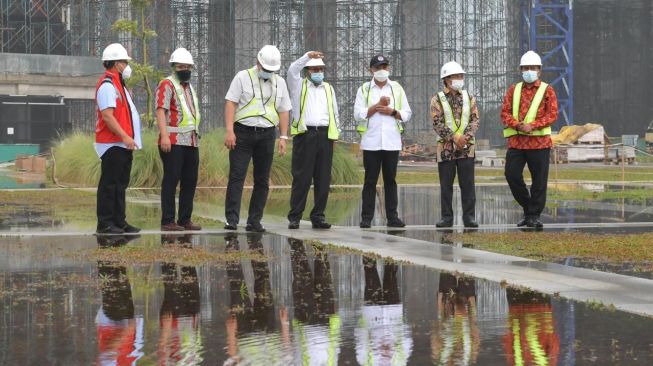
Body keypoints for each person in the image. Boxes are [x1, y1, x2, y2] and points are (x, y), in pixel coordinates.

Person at [223, 45, 291, 233]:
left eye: (272, 70)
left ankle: (254, 221)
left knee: (262, 180)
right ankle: (232, 220)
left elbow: (284, 110)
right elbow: (231, 103)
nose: (269, 73)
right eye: (266, 69)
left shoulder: (280, 83)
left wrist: (283, 137)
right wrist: (230, 131)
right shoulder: (242, 77)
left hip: (267, 134)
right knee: (237, 176)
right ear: (258, 62)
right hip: (243, 132)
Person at [501, 50, 558, 228]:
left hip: (539, 143)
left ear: (539, 70)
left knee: (539, 182)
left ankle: (534, 216)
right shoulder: (514, 90)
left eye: (532, 68)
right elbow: (504, 113)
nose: (529, 71)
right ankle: (528, 208)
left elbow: (552, 114)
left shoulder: (547, 90)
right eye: (526, 68)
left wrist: (532, 125)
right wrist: (518, 125)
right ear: (521, 69)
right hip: (517, 143)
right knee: (511, 175)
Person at [354, 54, 412, 228]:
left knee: (390, 180)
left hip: (391, 142)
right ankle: (366, 218)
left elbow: (407, 114)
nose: (381, 70)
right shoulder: (364, 89)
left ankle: (392, 217)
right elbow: (358, 114)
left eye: (384, 67)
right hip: (371, 142)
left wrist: (391, 111)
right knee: (370, 181)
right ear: (371, 70)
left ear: (388, 69)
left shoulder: (396, 88)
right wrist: (375, 106)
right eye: (378, 67)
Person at [286, 51, 341, 230]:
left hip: (325, 135)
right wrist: (307, 56)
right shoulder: (299, 86)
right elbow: (292, 70)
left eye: (320, 69)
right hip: (305, 135)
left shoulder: (328, 88)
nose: (318, 72)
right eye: (314, 69)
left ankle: (318, 216)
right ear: (307, 70)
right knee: (302, 177)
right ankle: (295, 216)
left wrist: (335, 135)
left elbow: (334, 112)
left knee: (323, 178)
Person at [94, 43, 142, 235]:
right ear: (116, 63)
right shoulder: (107, 85)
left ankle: (119, 222)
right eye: (124, 61)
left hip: (122, 144)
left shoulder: (118, 84)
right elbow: (107, 116)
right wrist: (124, 136)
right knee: (110, 184)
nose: (126, 65)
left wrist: (128, 139)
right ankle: (105, 223)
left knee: (120, 185)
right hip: (112, 143)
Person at [155, 47, 202, 232]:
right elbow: (161, 110)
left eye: (188, 67)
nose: (186, 70)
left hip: (191, 140)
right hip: (173, 140)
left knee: (190, 181)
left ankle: (185, 219)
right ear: (174, 67)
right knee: (171, 180)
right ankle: (168, 220)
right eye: (182, 66)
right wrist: (164, 135)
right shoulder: (167, 84)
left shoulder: (189, 87)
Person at [431, 61, 480, 228]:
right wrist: (454, 137)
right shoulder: (437, 99)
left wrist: (465, 137)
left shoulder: (469, 98)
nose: (460, 79)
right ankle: (446, 217)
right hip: (445, 148)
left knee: (468, 184)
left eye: (461, 76)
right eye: (456, 76)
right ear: (446, 79)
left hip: (466, 148)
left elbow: (474, 120)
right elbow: (437, 123)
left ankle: (469, 217)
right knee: (446, 186)